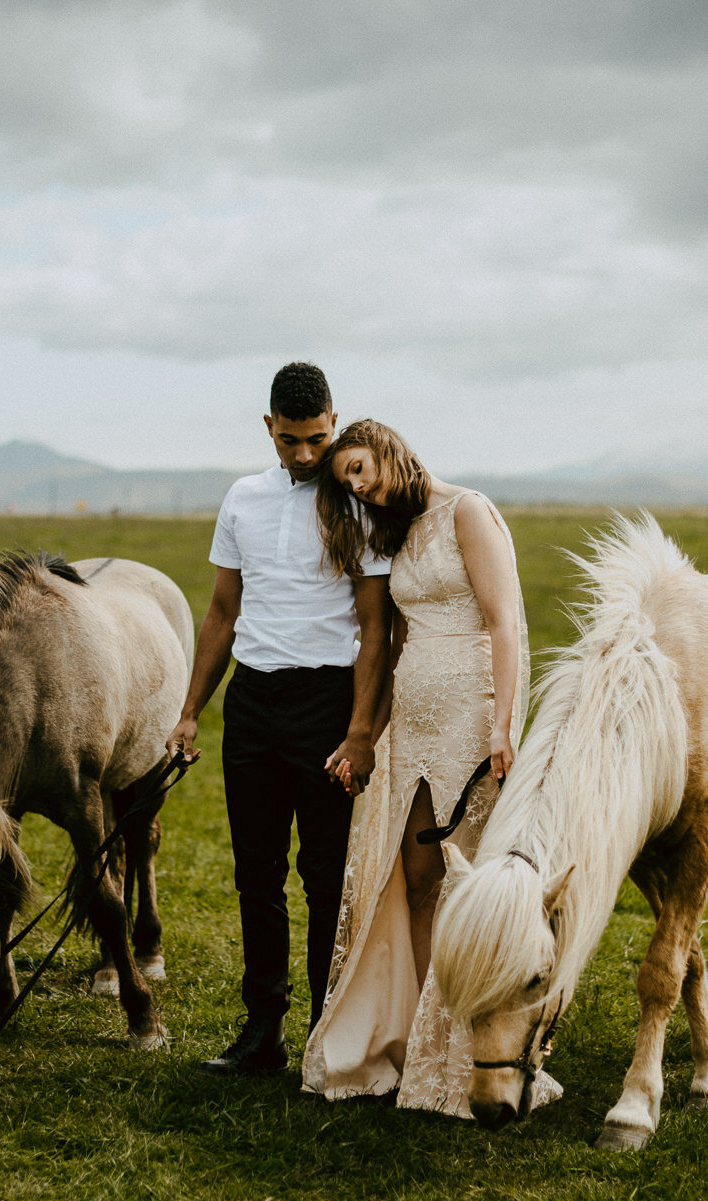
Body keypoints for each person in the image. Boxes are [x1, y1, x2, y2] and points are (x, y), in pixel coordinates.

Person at [300, 418, 559, 1117]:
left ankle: (472, 1043)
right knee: (415, 876)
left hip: (470, 719)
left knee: (462, 878)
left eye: (360, 468)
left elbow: (505, 620)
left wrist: (504, 723)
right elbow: (399, 638)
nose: (361, 486)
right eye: (349, 481)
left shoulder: (467, 511)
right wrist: (366, 736)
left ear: (388, 447)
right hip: (413, 722)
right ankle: (425, 1037)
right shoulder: (401, 532)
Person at [167, 363, 393, 1076]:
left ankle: (327, 1036)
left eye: (317, 439)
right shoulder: (241, 499)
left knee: (325, 875)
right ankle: (262, 1030)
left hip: (328, 705)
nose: (303, 455)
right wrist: (188, 712)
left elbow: (375, 622)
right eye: (290, 440)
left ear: (334, 422)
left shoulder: (356, 500)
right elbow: (223, 612)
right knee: (254, 875)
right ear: (269, 426)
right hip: (254, 706)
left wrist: (361, 730)